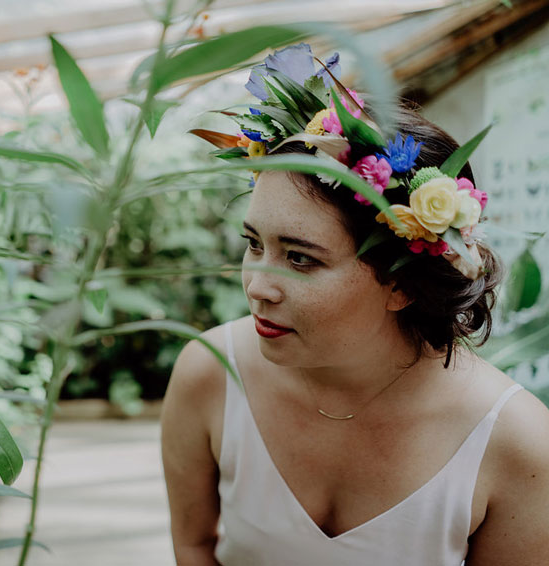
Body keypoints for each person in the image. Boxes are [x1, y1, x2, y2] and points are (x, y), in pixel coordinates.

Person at [161, 43, 549, 565]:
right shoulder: (210, 374)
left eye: (300, 260)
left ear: (403, 284)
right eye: (255, 243)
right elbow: (192, 546)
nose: (257, 285)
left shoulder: (515, 443)